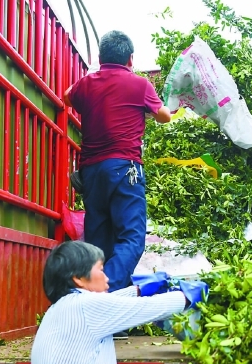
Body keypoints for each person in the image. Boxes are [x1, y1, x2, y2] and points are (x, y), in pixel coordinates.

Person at [28, 240, 206, 364]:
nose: (107, 279)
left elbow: (111, 304)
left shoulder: (62, 309)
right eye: (101, 270)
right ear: (79, 278)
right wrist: (186, 297)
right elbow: (145, 309)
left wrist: (138, 290)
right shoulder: (84, 307)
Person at [63, 30, 172, 293]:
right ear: (130, 59)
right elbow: (165, 116)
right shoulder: (140, 84)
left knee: (99, 240)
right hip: (125, 169)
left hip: (91, 173)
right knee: (132, 238)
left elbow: (66, 96)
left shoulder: (87, 84)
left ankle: (89, 291)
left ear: (101, 58)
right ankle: (104, 293)